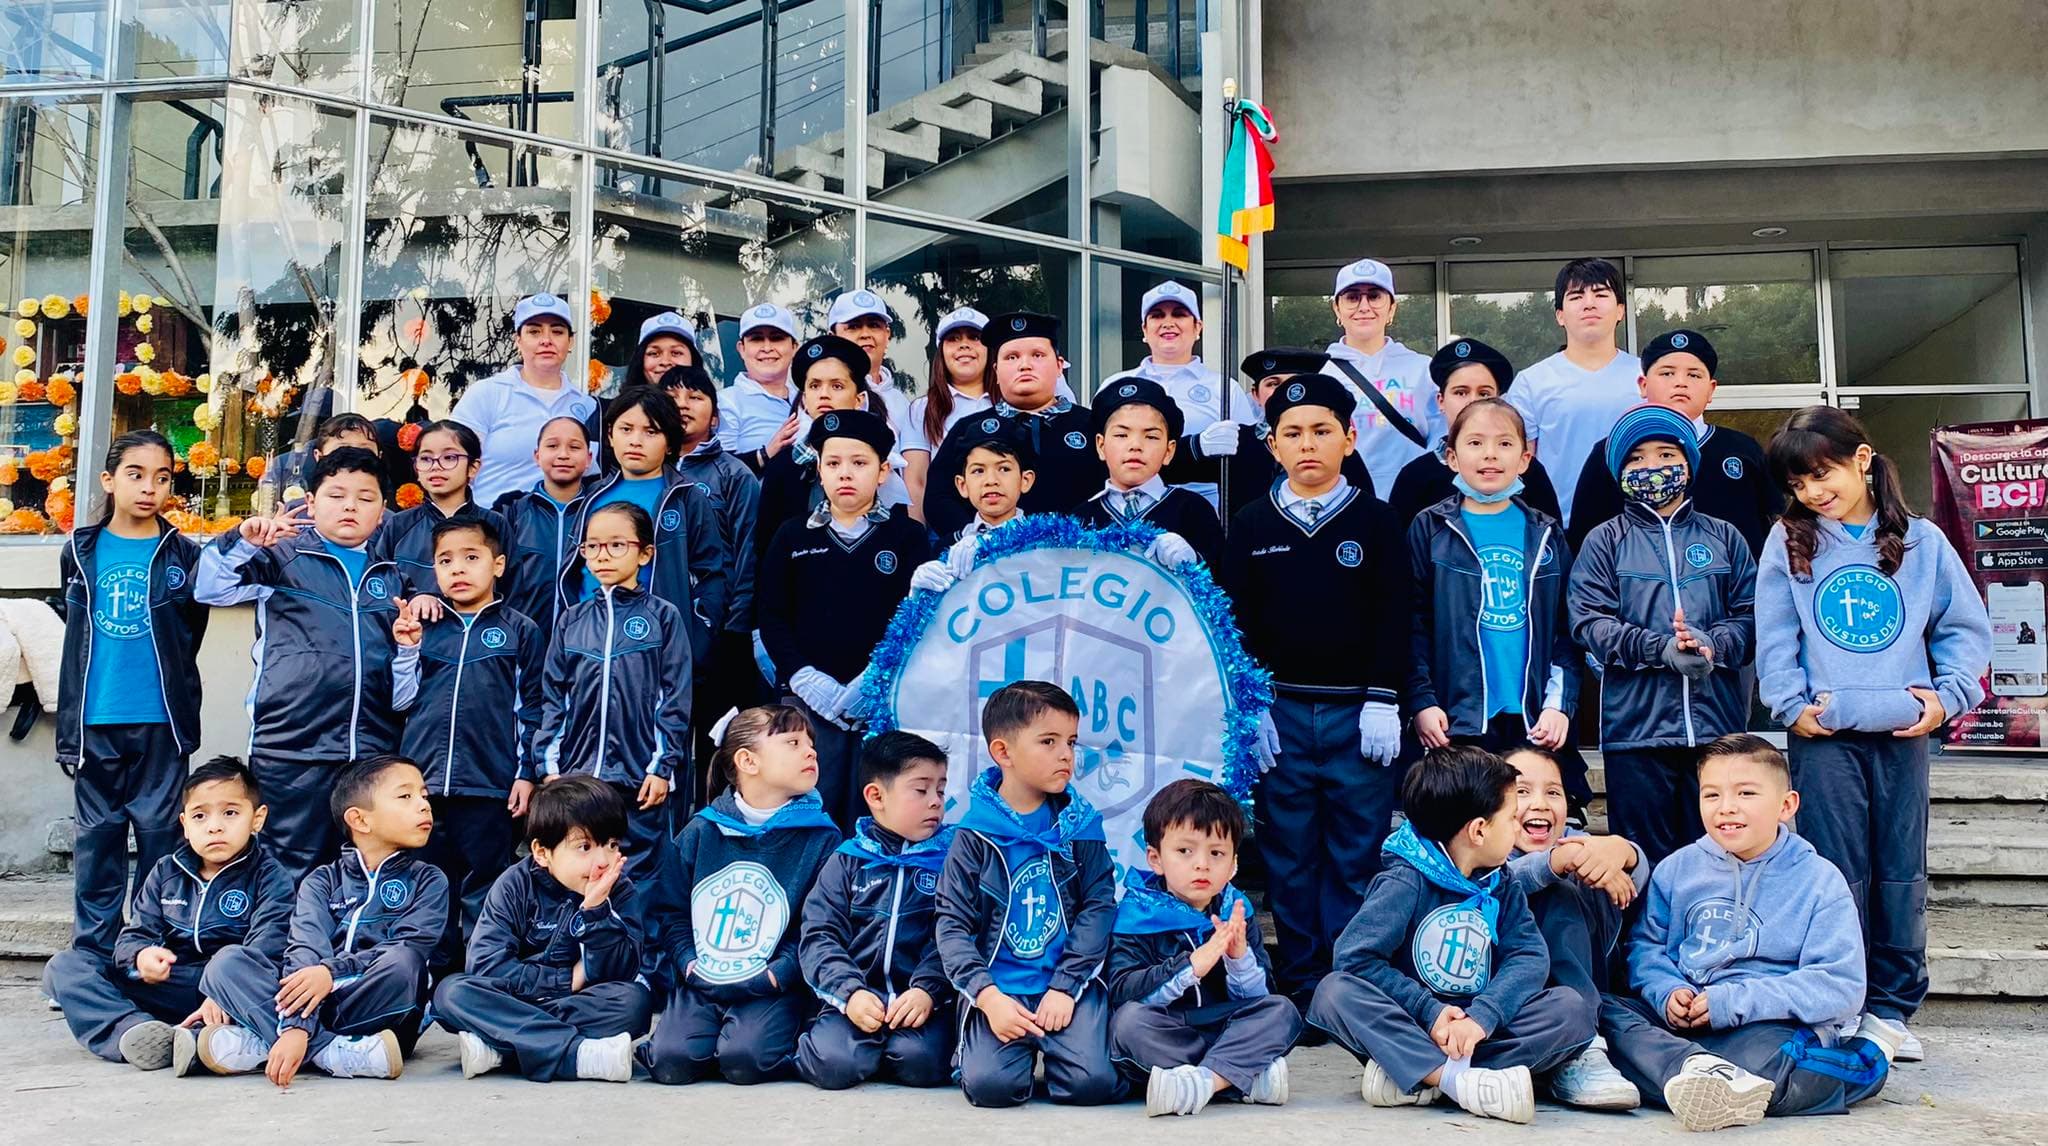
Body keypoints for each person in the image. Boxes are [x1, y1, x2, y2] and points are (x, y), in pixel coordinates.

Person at [1757, 406, 1990, 1062]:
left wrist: (1948, 699)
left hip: (1902, 731)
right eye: (1799, 483)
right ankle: (1842, 1000)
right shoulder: (1788, 541)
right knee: (1836, 871)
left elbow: (1964, 630)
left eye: (1822, 473)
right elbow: (1774, 632)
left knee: (1898, 873)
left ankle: (1891, 1007)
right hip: (1824, 736)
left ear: (1861, 460)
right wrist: (1787, 704)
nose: (1813, 492)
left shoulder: (1923, 542)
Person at [1217, 373, 1408, 1017]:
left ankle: (1347, 982)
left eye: (1322, 431)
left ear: (1349, 439)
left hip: (1361, 714)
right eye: (1292, 433)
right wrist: (1252, 704)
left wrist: (1385, 697)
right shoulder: (1248, 523)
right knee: (1289, 853)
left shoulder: (1378, 521)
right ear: (1272, 446)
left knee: (1357, 852)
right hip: (1283, 714)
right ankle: (1300, 981)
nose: (1308, 444)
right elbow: (1232, 621)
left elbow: (1395, 615)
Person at [1605, 735, 1898, 1130]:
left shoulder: (1819, 881)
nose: (1726, 808)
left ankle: (1867, 1057)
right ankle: (1697, 1071)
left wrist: (1734, 1001)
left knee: (1766, 1068)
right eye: (1711, 795)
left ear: (1786, 805)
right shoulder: (1677, 869)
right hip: (1684, 1022)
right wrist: (1667, 990)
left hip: (1765, 1023)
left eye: (1746, 793)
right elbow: (1646, 949)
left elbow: (1839, 985)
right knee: (1598, 1012)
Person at [1306, 746, 1595, 1124]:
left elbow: (1529, 955)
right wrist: (1431, 1012)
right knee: (1334, 992)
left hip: (1477, 1033)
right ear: (1478, 830)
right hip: (1410, 1023)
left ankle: (1420, 1075)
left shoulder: (1500, 881)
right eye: (1510, 818)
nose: (1515, 825)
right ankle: (1460, 1080)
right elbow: (1356, 958)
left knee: (1570, 1009)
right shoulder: (1404, 880)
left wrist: (1481, 1018)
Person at [194, 446, 403, 882]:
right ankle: (281, 951)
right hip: (292, 747)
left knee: (363, 868)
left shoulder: (391, 576)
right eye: (336, 495)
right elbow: (208, 588)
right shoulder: (280, 556)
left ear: (382, 510)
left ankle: (343, 952)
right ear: (310, 503)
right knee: (288, 867)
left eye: (366, 498)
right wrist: (241, 541)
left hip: (368, 751)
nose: (350, 506)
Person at [1568, 405, 1758, 865]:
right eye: (1636, 458)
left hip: (1718, 730)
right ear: (1618, 472)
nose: (1651, 467)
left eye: (1665, 453)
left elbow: (1754, 617)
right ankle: (1643, 941)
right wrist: (1662, 649)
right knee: (1642, 861)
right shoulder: (1604, 540)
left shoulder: (1725, 537)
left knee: (1718, 855)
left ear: (1689, 463)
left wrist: (1711, 644)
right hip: (1636, 733)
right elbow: (1588, 621)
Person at [194, 756, 446, 1084]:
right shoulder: (322, 881)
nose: (424, 806)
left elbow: (410, 945)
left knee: (403, 962)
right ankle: (331, 1051)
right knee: (226, 962)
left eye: (424, 796)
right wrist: (299, 1024)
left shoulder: (429, 880)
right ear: (359, 820)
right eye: (406, 796)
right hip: (310, 1006)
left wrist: (330, 974)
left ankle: (263, 1041)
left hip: (376, 1008)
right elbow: (305, 948)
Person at [56, 429, 210, 958]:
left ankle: (152, 952)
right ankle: (94, 958)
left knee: (160, 840)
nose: (149, 488)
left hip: (161, 721)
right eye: (135, 474)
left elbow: (190, 633)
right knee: (97, 844)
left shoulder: (183, 555)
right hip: (95, 720)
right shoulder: (81, 551)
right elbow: (76, 637)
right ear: (109, 480)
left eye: (162, 477)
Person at [935, 681, 1122, 1109]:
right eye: (1049, 741)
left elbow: (1098, 904)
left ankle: (1075, 1050)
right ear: (1003, 753)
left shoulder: (1080, 827)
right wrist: (987, 996)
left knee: (1091, 1085)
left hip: (1067, 987)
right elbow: (952, 924)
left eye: (1071, 742)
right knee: (990, 1089)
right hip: (1001, 992)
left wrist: (1066, 984)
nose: (1066, 755)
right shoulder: (974, 836)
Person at [44, 758, 293, 1071]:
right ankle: (135, 1032)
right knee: (65, 966)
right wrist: (141, 957)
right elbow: (135, 934)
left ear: (257, 819)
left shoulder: (270, 876)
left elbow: (266, 950)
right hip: (174, 982)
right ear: (185, 825)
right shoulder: (166, 872)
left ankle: (209, 1039)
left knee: (237, 965)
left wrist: (227, 991)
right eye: (200, 816)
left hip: (231, 991)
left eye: (230, 813)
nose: (215, 826)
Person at [640, 705, 843, 1085]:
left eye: (811, 743)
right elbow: (670, 912)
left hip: (771, 984)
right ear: (748, 761)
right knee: (671, 1061)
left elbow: (817, 927)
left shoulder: (822, 838)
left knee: (745, 1060)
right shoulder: (701, 832)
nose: (811, 751)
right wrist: (688, 963)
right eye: (793, 742)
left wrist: (775, 976)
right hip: (702, 978)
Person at [756, 409, 931, 828]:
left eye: (859, 463)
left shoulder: (906, 537)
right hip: (808, 704)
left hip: (884, 700)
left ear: (883, 470)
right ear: (819, 470)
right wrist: (803, 678)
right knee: (809, 807)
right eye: (833, 464)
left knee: (879, 807)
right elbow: (771, 615)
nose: (845, 474)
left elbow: (919, 617)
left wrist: (876, 680)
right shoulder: (793, 535)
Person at [391, 516, 547, 974]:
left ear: (497, 565)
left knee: (486, 885)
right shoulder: (425, 625)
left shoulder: (520, 630)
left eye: (471, 558)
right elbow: (401, 699)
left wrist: (526, 774)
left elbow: (533, 708)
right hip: (424, 786)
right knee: (429, 882)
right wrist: (406, 650)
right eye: (445, 560)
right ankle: (430, 980)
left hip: (490, 784)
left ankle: (482, 975)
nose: (458, 569)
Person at [432, 775, 654, 1084]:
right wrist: (569, 979)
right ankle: (578, 1054)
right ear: (541, 852)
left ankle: (502, 1049)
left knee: (634, 1002)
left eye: (611, 845)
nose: (602, 860)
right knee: (451, 993)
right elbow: (487, 967)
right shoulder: (514, 885)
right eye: (585, 847)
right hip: (514, 997)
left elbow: (622, 970)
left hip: (550, 1006)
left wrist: (596, 912)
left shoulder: (619, 890)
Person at [1109, 779, 1299, 1117]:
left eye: (1216, 853)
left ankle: (1203, 1082)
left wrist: (1239, 959)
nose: (1202, 864)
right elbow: (1123, 991)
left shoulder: (1235, 911)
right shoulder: (1137, 913)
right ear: (1155, 858)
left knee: (1283, 1011)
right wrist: (1191, 965)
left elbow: (1261, 999)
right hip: (1169, 1028)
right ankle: (1240, 1077)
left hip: (1222, 1026)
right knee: (1128, 1023)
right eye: (1185, 851)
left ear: (1234, 864)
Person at [1407, 399, 1578, 755]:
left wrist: (1558, 704)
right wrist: (1422, 701)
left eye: (1504, 443)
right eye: (1475, 443)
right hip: (1455, 718)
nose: (1490, 455)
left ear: (1525, 459)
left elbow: (1568, 629)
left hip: (1534, 718)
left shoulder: (1545, 533)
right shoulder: (1431, 528)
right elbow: (1413, 624)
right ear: (1451, 458)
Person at [794, 730, 956, 1090]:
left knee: (922, 1065)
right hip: (854, 1000)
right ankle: (827, 1037)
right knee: (833, 1066)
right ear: (876, 796)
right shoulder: (848, 860)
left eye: (941, 790)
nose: (936, 802)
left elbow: (955, 933)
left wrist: (928, 991)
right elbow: (820, 935)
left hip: (920, 1002)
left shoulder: (949, 861)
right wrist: (849, 993)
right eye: (921, 789)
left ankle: (887, 1049)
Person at [535, 502, 694, 860]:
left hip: (639, 778)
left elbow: (674, 698)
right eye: (592, 546)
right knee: (578, 865)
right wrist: (550, 767)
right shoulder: (571, 620)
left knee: (637, 872)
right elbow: (554, 698)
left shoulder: (662, 617)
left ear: (645, 554)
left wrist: (661, 767)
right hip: (577, 777)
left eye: (617, 545)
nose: (602, 555)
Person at [1500, 744, 1647, 1111]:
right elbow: (1502, 882)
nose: (1539, 803)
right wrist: (1553, 862)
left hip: (1593, 1000)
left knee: (1640, 1034)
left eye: (1553, 792)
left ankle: (1695, 1071)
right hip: (1513, 1006)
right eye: (1521, 791)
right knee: (1557, 890)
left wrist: (1624, 851)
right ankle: (1582, 1047)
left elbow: (1642, 883)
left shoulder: (1581, 847)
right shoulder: (1486, 856)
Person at [1566, 329, 1783, 557]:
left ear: (1711, 389)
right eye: (1667, 373)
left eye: (1694, 375)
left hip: (1736, 588)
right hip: (1638, 588)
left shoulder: (1742, 449)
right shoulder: (1612, 451)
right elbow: (1584, 538)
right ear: (1643, 385)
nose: (1681, 383)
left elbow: (1774, 524)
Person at [567, 384, 730, 668]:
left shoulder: (686, 497)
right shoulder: (591, 497)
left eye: (651, 431)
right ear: (610, 435)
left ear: (669, 442)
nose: (635, 440)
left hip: (660, 647)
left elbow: (711, 574)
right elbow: (573, 570)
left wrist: (697, 637)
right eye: (626, 429)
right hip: (590, 641)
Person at [666, 361, 767, 800]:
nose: (683, 406)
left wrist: (735, 627)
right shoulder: (645, 475)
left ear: (716, 414)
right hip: (657, 632)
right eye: (671, 398)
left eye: (695, 397)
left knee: (714, 749)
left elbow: (748, 551)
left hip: (718, 632)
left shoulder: (733, 475)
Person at [922, 312, 1106, 539]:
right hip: (992, 561)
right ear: (996, 370)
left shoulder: (1094, 425)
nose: (1025, 365)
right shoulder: (969, 429)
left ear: (1059, 366)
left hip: (1082, 557)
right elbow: (938, 498)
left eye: (1037, 355)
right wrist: (978, 539)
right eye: (1012, 357)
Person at [1502, 258, 1642, 526]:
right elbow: (1520, 466)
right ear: (1560, 315)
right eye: (1576, 296)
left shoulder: (1646, 377)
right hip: (1557, 528)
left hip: (1637, 527)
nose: (1589, 303)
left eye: (1601, 294)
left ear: (1621, 310)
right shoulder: (1532, 382)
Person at [1162, 346, 1375, 518]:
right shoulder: (1237, 442)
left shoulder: (1332, 446)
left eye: (1294, 383)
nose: (1282, 392)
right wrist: (1198, 446)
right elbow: (1162, 469)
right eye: (1273, 384)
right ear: (1255, 394)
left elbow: (1364, 510)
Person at [1103, 282, 1253, 509]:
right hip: (1127, 512)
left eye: (1180, 314)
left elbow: (1247, 462)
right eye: (1157, 315)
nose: (1168, 323)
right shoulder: (1116, 385)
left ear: (1198, 327)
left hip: (1204, 515)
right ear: (1144, 329)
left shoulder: (1224, 388)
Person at [1387, 338, 1562, 527]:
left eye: (1484, 393)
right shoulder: (1416, 476)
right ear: (1441, 401)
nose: (1472, 402)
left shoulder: (1527, 471)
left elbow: (1552, 543)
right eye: (1460, 392)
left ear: (1500, 400)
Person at [453, 292, 599, 506]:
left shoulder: (587, 406)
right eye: (534, 331)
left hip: (562, 528)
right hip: (492, 527)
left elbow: (589, 477)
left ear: (571, 342)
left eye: (557, 332)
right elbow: (456, 467)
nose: (546, 340)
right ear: (518, 341)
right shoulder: (486, 393)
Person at [1071, 378, 1225, 568]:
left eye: (1151, 436)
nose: (1135, 446)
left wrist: (1194, 560)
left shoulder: (1193, 510)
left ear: (1169, 451)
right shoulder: (1081, 517)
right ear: (1101, 445)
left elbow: (1223, 580)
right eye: (1121, 435)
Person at [1317, 259, 1440, 496]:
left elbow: (1441, 438)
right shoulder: (1320, 373)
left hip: (1415, 498)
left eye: (1374, 296)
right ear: (1337, 309)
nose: (1364, 306)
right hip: (1346, 499)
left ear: (1391, 308)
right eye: (1352, 297)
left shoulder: (1425, 369)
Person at [755, 334, 881, 559]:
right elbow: (766, 549)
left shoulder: (880, 459)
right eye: (814, 386)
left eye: (837, 386)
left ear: (859, 399)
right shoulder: (784, 466)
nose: (824, 394)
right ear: (804, 399)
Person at [376, 418, 510, 597]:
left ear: (473, 467)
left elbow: (513, 593)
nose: (436, 467)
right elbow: (381, 588)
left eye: (449, 458)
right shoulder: (399, 525)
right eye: (425, 459)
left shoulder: (495, 524)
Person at [493, 414, 591, 635]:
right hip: (522, 638)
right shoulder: (512, 511)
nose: (563, 454)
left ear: (589, 458)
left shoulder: (599, 512)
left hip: (583, 640)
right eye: (552, 445)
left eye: (574, 447)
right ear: (537, 456)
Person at [903, 306, 991, 514]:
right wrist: (918, 540)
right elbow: (917, 482)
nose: (964, 346)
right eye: (953, 339)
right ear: (941, 351)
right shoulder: (922, 409)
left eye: (974, 337)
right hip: (944, 529)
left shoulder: (1009, 402)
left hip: (1009, 528)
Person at [719, 302, 803, 467]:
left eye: (776, 338)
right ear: (742, 349)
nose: (767, 347)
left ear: (794, 347)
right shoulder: (725, 402)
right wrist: (765, 454)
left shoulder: (808, 399)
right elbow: (718, 471)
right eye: (756, 339)